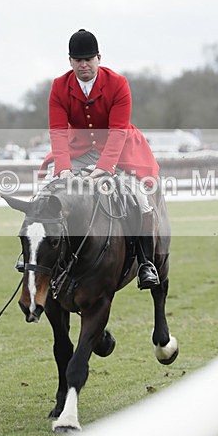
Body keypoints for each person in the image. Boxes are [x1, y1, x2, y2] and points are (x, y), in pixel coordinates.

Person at [40, 28, 161, 289]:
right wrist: (63, 169)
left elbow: (118, 132)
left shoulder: (118, 84)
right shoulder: (59, 87)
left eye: (89, 59)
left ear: (99, 58)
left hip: (120, 151)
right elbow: (58, 132)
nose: (84, 65)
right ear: (70, 61)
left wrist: (105, 168)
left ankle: (145, 263)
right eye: (78, 60)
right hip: (78, 152)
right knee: (49, 196)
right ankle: (43, 263)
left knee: (140, 198)